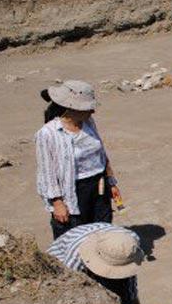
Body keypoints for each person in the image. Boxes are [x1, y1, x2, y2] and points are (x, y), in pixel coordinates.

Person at [35, 80, 121, 239]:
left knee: (102, 231)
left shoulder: (89, 122)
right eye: (88, 108)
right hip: (72, 190)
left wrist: (111, 182)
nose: (93, 111)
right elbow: (47, 172)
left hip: (99, 186)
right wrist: (57, 203)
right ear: (71, 108)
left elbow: (101, 153)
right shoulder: (48, 133)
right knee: (73, 236)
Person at [46, 222, 145, 304]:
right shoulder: (76, 256)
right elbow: (68, 287)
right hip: (61, 260)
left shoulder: (131, 242)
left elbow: (129, 278)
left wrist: (133, 303)